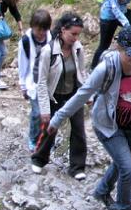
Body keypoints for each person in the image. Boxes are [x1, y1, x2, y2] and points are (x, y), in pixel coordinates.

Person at [48, 25, 131, 210]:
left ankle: (102, 190)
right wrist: (57, 118)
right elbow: (82, 95)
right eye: (130, 54)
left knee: (122, 162)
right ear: (119, 49)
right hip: (107, 125)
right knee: (128, 167)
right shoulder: (106, 68)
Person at [32, 12, 89, 180]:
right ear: (63, 30)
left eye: (78, 34)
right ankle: (39, 159)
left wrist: (88, 95)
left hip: (73, 95)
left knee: (79, 130)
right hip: (54, 96)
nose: (75, 38)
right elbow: (42, 82)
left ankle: (77, 167)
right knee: (50, 128)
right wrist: (44, 109)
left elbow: (82, 72)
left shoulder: (78, 48)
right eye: (73, 34)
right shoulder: (48, 51)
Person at [18, 9, 53, 152]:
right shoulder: (25, 41)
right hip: (33, 83)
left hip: (49, 82)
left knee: (49, 113)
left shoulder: (51, 37)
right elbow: (23, 64)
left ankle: (47, 138)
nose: (42, 33)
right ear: (32, 26)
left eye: (45, 30)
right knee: (37, 113)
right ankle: (33, 137)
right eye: (39, 30)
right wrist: (23, 86)